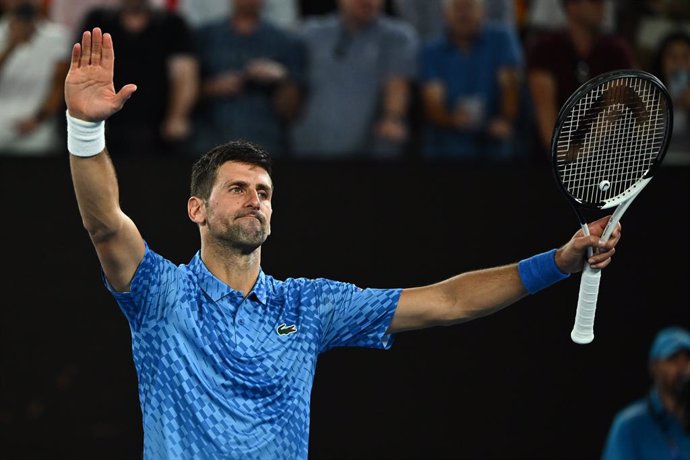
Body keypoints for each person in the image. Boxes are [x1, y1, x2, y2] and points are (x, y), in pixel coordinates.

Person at [65, 27, 622, 458]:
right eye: (237, 189)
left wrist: (558, 262)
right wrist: (85, 129)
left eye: (263, 191)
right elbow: (106, 225)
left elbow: (446, 302)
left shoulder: (307, 305)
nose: (254, 200)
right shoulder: (162, 293)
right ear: (198, 210)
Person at [290, 0, 419, 159]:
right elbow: (294, 86)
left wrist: (393, 117)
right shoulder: (309, 33)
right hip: (308, 153)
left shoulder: (397, 37)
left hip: (369, 158)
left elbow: (397, 83)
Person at [77, 0, 198, 157]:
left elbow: (184, 74)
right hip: (109, 124)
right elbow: (85, 71)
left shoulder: (172, 23)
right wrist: (92, 118)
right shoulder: (99, 21)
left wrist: (177, 117)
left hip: (158, 129)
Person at [191, 0, 306, 157]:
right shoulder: (205, 37)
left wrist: (282, 78)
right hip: (211, 144)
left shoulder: (284, 42)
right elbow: (181, 95)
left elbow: (291, 112)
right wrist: (213, 87)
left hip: (265, 146)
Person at [525, 0, 635, 159]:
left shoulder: (617, 50)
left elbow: (612, 109)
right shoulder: (545, 48)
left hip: (606, 156)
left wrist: (583, 155)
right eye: (594, 2)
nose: (602, 5)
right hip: (551, 158)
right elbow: (544, 109)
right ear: (571, 6)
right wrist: (561, 155)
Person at [419, 0, 523, 161]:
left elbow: (509, 85)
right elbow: (433, 102)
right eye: (458, 9)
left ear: (483, 12)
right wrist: (453, 119)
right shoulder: (431, 50)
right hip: (447, 144)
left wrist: (505, 119)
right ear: (444, 15)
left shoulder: (502, 38)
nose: (463, 14)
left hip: (494, 138)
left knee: (504, 141)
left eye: (469, 7)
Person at [601, 326, 690, 460]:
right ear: (654, 366)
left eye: (688, 360)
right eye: (674, 359)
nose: (683, 368)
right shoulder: (630, 425)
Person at [0, 0, 70, 156]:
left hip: (39, 127)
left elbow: (59, 85)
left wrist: (38, 120)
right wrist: (11, 45)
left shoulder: (59, 36)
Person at [650, 30, 690, 159]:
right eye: (672, 56)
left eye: (685, 57)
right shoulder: (646, 93)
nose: (678, 62)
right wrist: (656, 110)